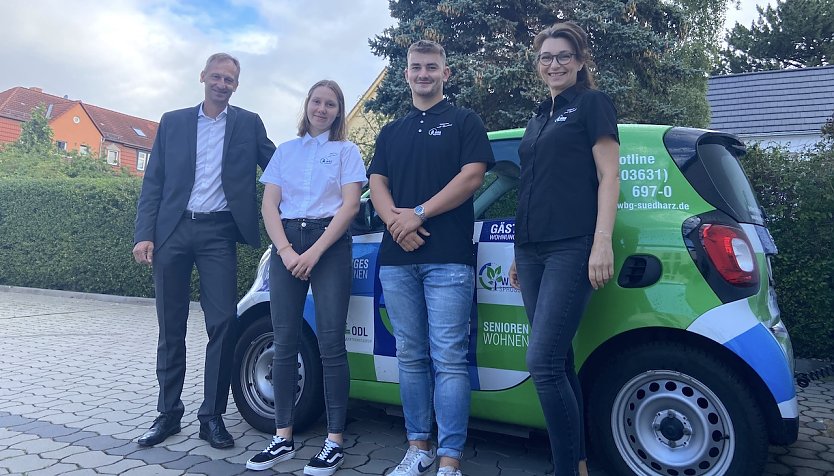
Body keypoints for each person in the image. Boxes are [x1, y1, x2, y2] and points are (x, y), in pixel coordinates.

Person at [132, 53, 275, 449]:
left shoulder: (248, 123)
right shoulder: (173, 122)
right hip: (172, 231)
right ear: (203, 77)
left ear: (236, 85)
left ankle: (211, 417)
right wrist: (144, 234)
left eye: (229, 79)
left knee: (224, 322)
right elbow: (154, 182)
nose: (222, 84)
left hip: (218, 233)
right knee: (171, 325)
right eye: (216, 76)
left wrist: (328, 165)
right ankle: (168, 414)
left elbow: (279, 166)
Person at [368, 40, 495, 476]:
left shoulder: (464, 121)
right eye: (416, 67)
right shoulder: (391, 131)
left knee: (449, 359)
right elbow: (377, 183)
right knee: (410, 356)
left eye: (431, 67)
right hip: (396, 259)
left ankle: (449, 458)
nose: (423, 74)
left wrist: (417, 214)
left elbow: (473, 176)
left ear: (446, 73)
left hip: (449, 259)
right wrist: (395, 223)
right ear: (406, 74)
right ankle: (417, 447)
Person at [507, 22, 620, 476]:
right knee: (559, 360)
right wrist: (518, 252)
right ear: (538, 65)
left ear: (579, 61)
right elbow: (530, 188)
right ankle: (578, 464)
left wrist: (601, 242)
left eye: (563, 56)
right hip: (532, 251)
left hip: (572, 247)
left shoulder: (592, 104)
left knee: (542, 361)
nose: (553, 64)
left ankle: (565, 468)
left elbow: (609, 176)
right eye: (546, 57)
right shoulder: (538, 118)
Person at [244, 80, 365, 475]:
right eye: (317, 101)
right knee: (284, 341)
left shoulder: (346, 152)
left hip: (328, 244)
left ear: (338, 111)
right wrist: (285, 251)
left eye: (331, 104)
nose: (322, 109)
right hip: (287, 244)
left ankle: (334, 442)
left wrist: (314, 252)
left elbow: (349, 207)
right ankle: (282, 437)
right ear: (307, 105)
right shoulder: (286, 151)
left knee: (331, 344)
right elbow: (269, 203)